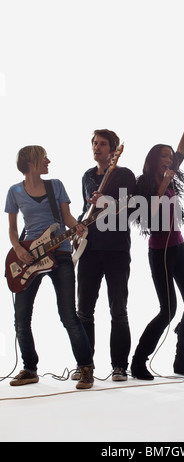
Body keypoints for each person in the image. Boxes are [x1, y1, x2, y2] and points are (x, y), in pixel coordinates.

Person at [5, 145, 94, 389]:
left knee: (68, 315)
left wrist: (78, 226)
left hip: (60, 254)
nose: (48, 161)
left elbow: (66, 218)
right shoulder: (13, 192)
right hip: (28, 258)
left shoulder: (55, 185)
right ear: (31, 162)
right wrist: (20, 250)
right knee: (21, 318)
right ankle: (29, 368)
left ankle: (86, 367)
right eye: (44, 158)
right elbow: (12, 229)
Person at [131, 104, 184, 380]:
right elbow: (147, 217)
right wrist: (162, 185)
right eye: (164, 156)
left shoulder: (171, 174)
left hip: (179, 247)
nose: (169, 160)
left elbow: (181, 150)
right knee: (168, 309)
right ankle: (138, 361)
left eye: (170, 157)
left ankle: (181, 360)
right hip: (159, 252)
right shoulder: (144, 183)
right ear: (152, 160)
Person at [73, 129, 136, 382]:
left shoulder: (125, 175)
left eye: (102, 144)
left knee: (118, 310)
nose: (97, 148)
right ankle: (84, 364)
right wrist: (78, 226)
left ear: (114, 150)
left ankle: (120, 366)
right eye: (94, 143)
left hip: (117, 250)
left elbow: (131, 207)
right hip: (89, 249)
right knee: (84, 311)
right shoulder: (87, 176)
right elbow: (86, 209)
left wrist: (106, 202)